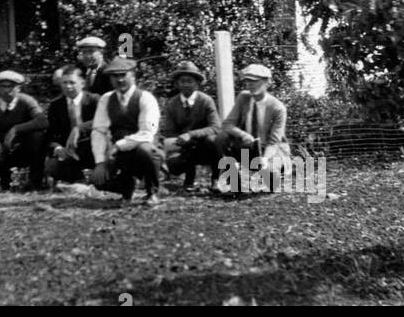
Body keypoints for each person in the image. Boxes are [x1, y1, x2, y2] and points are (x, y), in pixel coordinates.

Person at [89, 57, 164, 206]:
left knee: (146, 150)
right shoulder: (106, 99)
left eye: (123, 75)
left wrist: (118, 146)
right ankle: (127, 187)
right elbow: (99, 130)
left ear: (133, 75)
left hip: (143, 148)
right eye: (114, 76)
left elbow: (147, 133)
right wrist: (100, 162)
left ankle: (152, 192)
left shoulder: (145, 98)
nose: (119, 80)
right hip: (119, 154)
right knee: (98, 181)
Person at [219, 64, 291, 192]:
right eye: (247, 81)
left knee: (271, 184)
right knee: (222, 137)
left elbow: (274, 141)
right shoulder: (243, 98)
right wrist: (243, 135)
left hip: (271, 150)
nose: (250, 85)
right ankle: (235, 183)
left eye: (255, 81)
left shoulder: (278, 108)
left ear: (266, 83)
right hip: (249, 145)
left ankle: (272, 174)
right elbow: (227, 124)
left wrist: (265, 159)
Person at [0, 70, 48, 191]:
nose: (7, 90)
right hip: (1, 148)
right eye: (3, 86)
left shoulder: (27, 101)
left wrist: (16, 129)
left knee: (39, 137)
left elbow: (43, 121)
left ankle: (35, 183)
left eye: (11, 86)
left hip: (24, 148)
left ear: (19, 88)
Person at [161, 62, 223, 193]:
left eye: (189, 81)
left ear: (197, 83)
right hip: (184, 147)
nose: (185, 85)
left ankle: (215, 179)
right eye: (182, 81)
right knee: (173, 164)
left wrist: (191, 134)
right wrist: (180, 140)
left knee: (214, 140)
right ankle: (189, 179)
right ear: (177, 84)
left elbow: (216, 127)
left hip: (204, 145)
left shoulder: (206, 101)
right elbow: (169, 132)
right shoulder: (172, 104)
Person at [43, 66, 99, 188]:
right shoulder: (56, 105)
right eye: (64, 83)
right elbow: (51, 133)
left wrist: (78, 129)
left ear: (82, 83)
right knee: (52, 168)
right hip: (68, 151)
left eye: (72, 83)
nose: (68, 87)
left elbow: (101, 121)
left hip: (92, 148)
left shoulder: (94, 100)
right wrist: (57, 148)